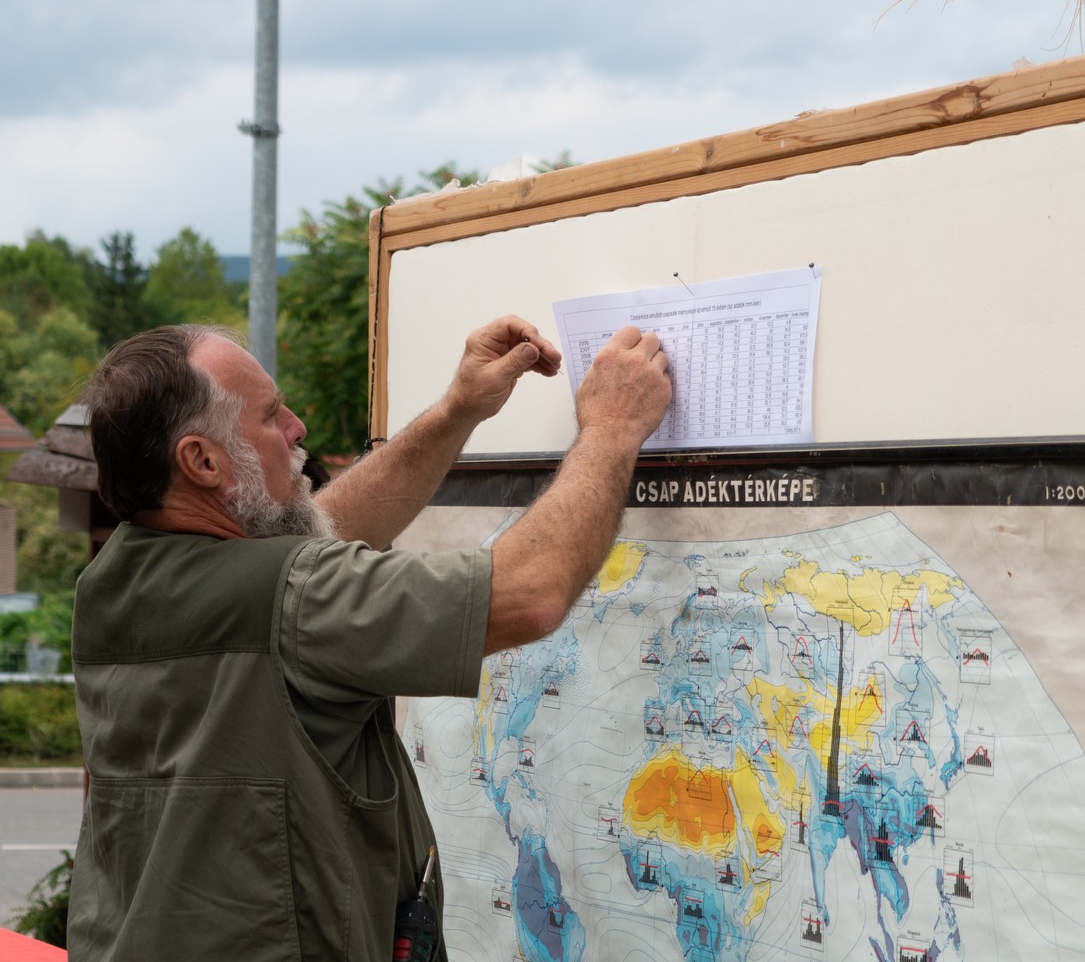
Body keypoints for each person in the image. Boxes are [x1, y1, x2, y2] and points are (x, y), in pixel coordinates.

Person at [66, 315, 671, 961]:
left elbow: (318, 539)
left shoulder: (114, 581)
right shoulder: (293, 596)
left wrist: (457, 411)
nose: (297, 426)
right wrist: (611, 428)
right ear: (203, 461)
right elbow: (531, 590)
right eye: (270, 416)